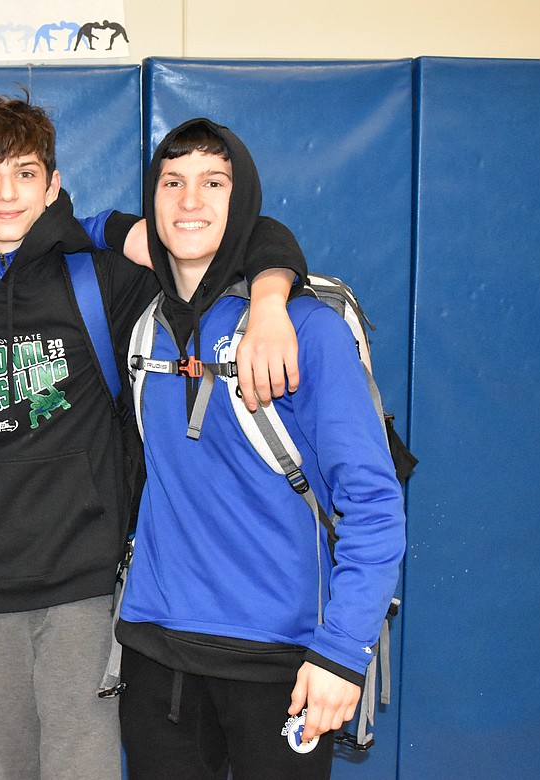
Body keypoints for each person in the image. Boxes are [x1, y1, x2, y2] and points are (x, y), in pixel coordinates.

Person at [0, 96, 307, 779]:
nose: (6, 192)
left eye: (25, 173)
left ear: (52, 186)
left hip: (86, 588)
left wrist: (269, 296)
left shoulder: (103, 281)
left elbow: (241, 239)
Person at [116, 118, 406, 779]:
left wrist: (342, 651)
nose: (190, 201)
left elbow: (373, 503)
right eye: (173, 181)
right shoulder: (143, 325)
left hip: (282, 659)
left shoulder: (305, 329)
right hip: (157, 655)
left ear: (242, 198)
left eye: (213, 183)